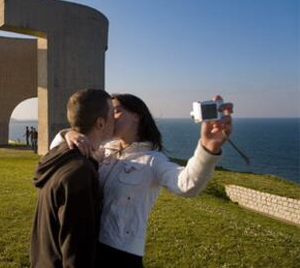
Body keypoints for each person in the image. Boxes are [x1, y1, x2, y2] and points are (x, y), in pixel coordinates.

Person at [51, 93, 233, 268]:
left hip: (121, 255)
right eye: (109, 112)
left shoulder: (153, 160)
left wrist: (208, 148)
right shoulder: (104, 150)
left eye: (116, 111)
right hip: (89, 246)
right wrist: (68, 134)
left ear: (137, 116)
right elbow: (58, 156)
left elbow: (187, 185)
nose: (110, 118)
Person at [30, 89, 115, 268]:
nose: (116, 120)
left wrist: (67, 133)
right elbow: (76, 245)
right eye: (112, 114)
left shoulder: (59, 154)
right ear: (100, 123)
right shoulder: (79, 172)